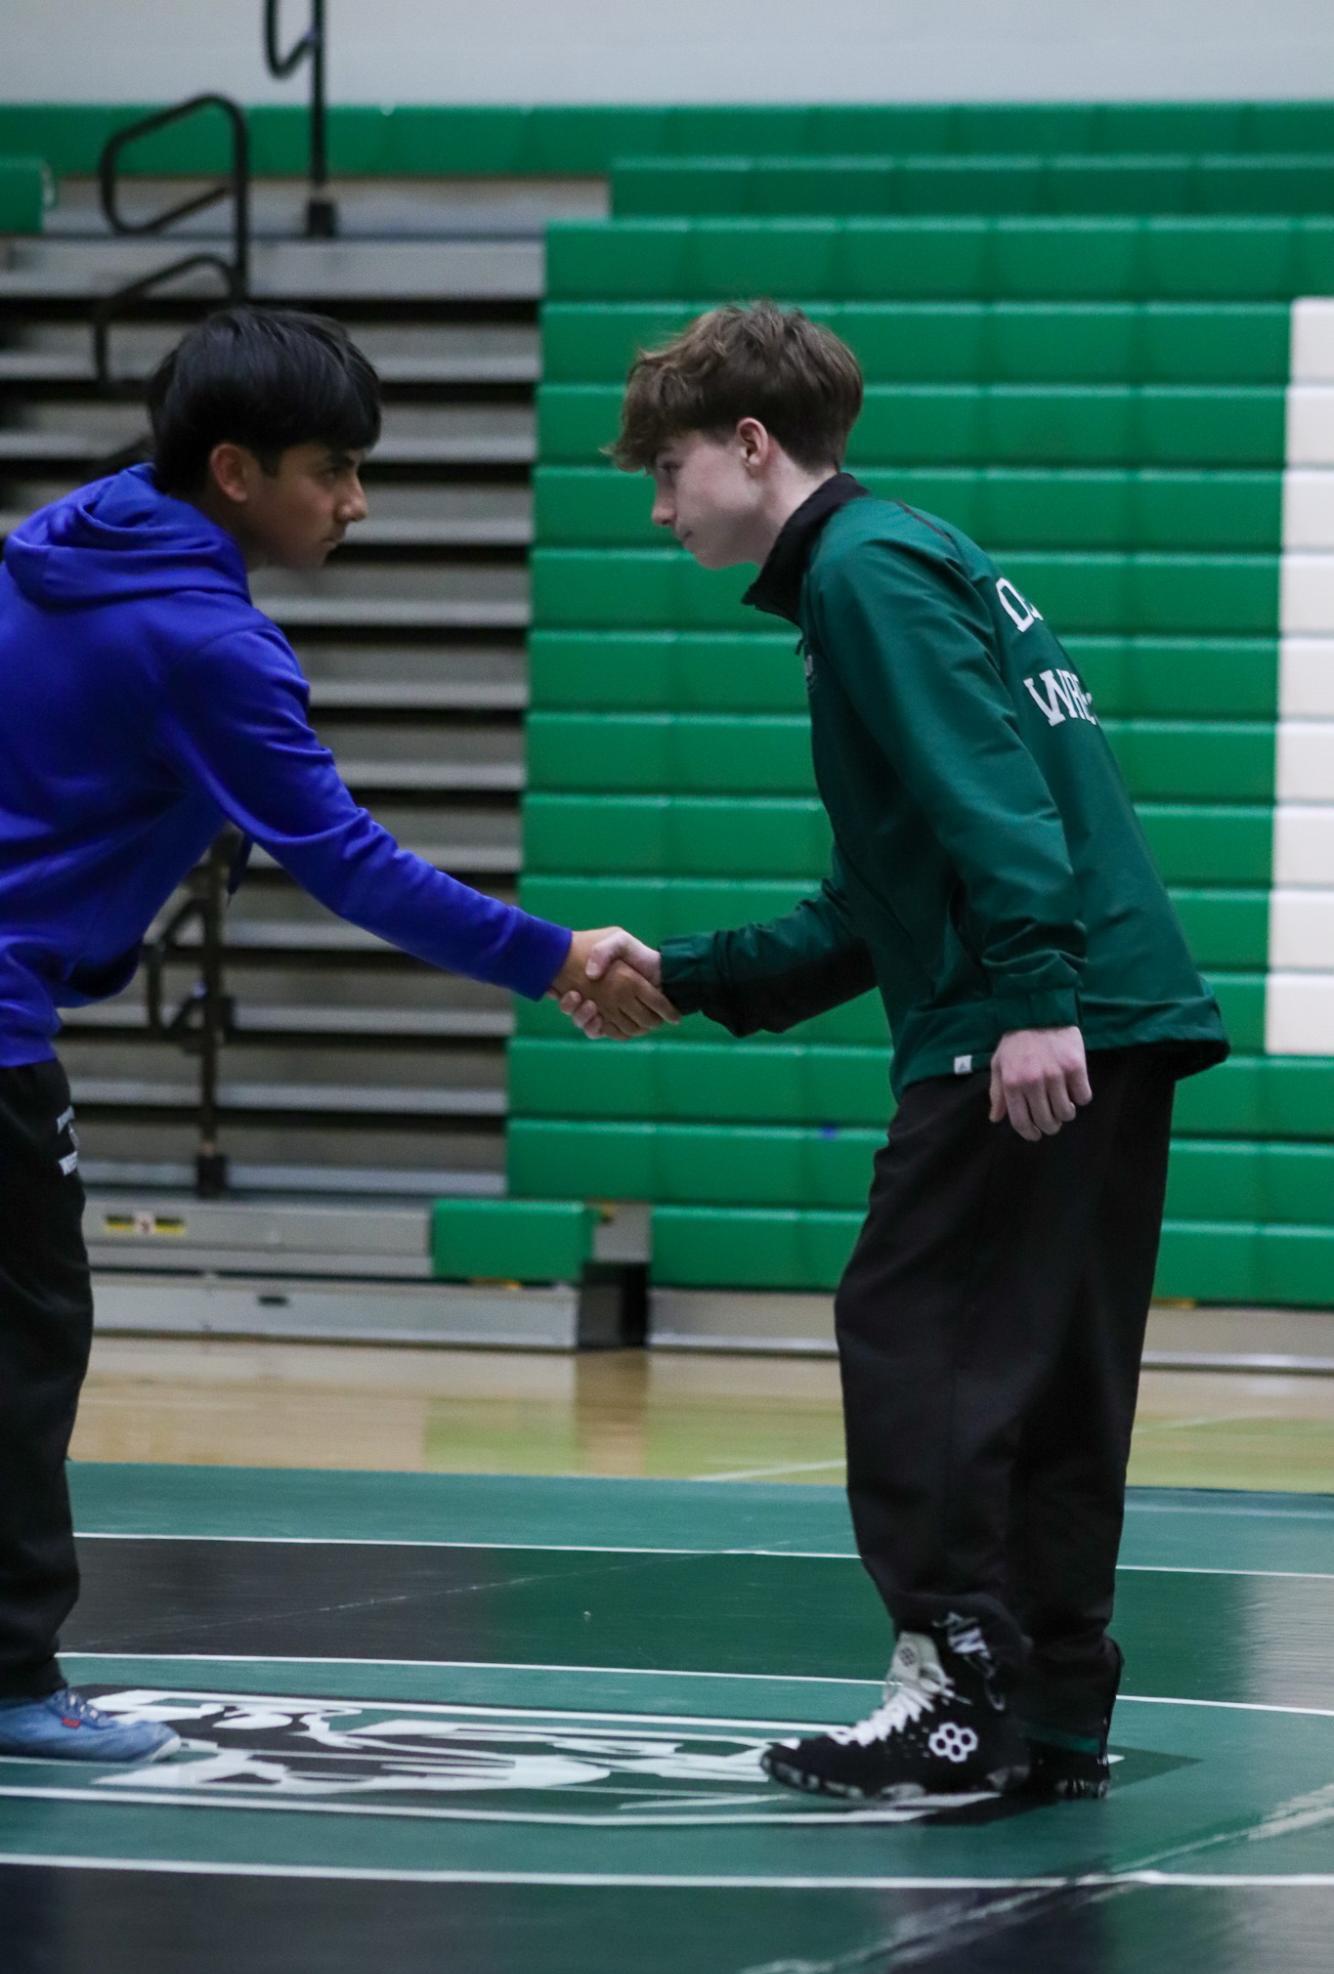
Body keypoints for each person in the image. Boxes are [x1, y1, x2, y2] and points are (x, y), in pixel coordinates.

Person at [566, 301, 1229, 1803]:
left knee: (915, 1334)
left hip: (1034, 1017)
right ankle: (1049, 1703)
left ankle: (951, 1684)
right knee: (1051, 1368)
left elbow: (992, 798)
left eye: (667, 470)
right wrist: (692, 978)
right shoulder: (905, 560)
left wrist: (1029, 996)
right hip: (1097, 1011)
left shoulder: (861, 574)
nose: (660, 506)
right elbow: (890, 885)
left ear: (749, 443)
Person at [0, 304, 670, 1764]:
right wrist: (552, 954)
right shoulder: (205, 643)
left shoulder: (57, 548)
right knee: (25, 1348)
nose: (357, 503)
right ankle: (6, 1682)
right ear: (232, 470)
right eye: (332, 470)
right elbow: (348, 859)